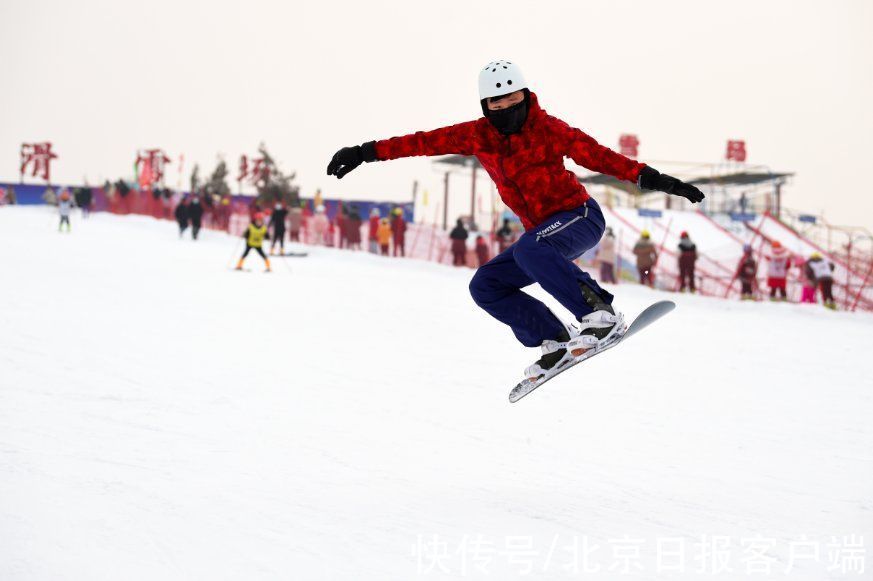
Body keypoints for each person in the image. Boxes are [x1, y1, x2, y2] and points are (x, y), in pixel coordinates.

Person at [326, 60, 704, 381]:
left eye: (513, 97)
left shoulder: (549, 129)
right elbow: (423, 141)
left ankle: (599, 313)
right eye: (497, 100)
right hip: (540, 238)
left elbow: (602, 157)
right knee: (486, 285)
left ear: (525, 94)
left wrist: (658, 181)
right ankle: (554, 339)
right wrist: (364, 152)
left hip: (580, 216)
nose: (506, 105)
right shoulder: (477, 135)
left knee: (531, 247)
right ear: (486, 105)